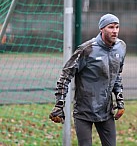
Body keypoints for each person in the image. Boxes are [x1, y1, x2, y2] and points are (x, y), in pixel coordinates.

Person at [49, 13, 126, 146]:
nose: (115, 31)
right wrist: (59, 105)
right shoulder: (87, 49)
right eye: (111, 27)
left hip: (106, 111)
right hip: (84, 111)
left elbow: (117, 75)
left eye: (117, 27)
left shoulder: (121, 47)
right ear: (101, 29)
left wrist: (120, 100)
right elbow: (65, 75)